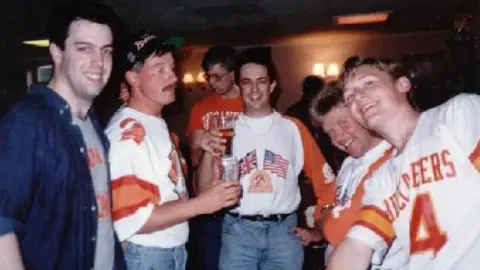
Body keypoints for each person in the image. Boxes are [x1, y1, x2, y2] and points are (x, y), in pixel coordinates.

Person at [0, 2, 125, 269]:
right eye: (84, 49)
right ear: (57, 53)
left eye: (106, 51)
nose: (99, 63)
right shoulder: (28, 122)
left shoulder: (92, 124)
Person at [105, 31, 241, 270]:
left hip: (169, 251)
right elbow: (132, 218)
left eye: (171, 67)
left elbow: (173, 192)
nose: (173, 76)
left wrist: (207, 151)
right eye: (159, 69)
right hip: (146, 255)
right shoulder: (127, 135)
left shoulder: (154, 122)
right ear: (133, 77)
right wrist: (202, 204)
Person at [328, 57, 480, 269]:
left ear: (402, 84)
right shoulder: (381, 180)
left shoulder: (454, 116)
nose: (358, 97)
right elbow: (357, 245)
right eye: (349, 96)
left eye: (368, 83)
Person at [196, 47, 336, 270]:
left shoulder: (294, 128)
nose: (254, 90)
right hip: (238, 232)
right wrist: (206, 151)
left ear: (272, 86)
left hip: (284, 233)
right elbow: (203, 191)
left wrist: (319, 229)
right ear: (238, 86)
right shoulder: (226, 130)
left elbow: (326, 184)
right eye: (246, 82)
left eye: (261, 81)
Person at [294, 85, 408, 268]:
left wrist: (327, 217)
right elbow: (327, 216)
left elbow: (336, 229)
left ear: (361, 115)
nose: (338, 136)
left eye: (343, 123)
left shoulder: (390, 161)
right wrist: (318, 231)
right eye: (329, 131)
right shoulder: (349, 165)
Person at [186, 45, 243, 270]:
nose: (211, 83)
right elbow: (194, 158)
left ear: (233, 74)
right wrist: (205, 145)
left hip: (243, 197)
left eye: (218, 77)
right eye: (208, 77)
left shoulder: (250, 103)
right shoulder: (202, 108)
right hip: (211, 198)